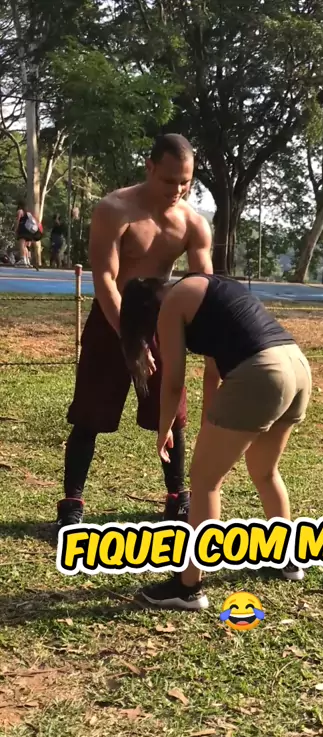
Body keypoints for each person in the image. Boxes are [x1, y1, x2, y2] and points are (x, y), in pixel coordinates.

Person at [119, 273, 313, 610]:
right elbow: (214, 372)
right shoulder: (204, 288)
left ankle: (188, 586)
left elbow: (173, 381)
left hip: (262, 373)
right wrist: (212, 422)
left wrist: (164, 428)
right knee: (265, 471)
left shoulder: (170, 305)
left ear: (146, 311)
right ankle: (287, 559)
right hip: (296, 366)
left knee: (205, 482)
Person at [55, 133, 213, 533]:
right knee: (89, 415)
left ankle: (177, 498)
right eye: (168, 180)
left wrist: (212, 342)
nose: (177, 190)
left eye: (185, 182)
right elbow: (105, 279)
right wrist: (130, 339)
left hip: (161, 320)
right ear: (149, 167)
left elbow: (204, 286)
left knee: (172, 414)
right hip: (112, 316)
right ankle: (72, 503)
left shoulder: (193, 223)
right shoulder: (115, 209)